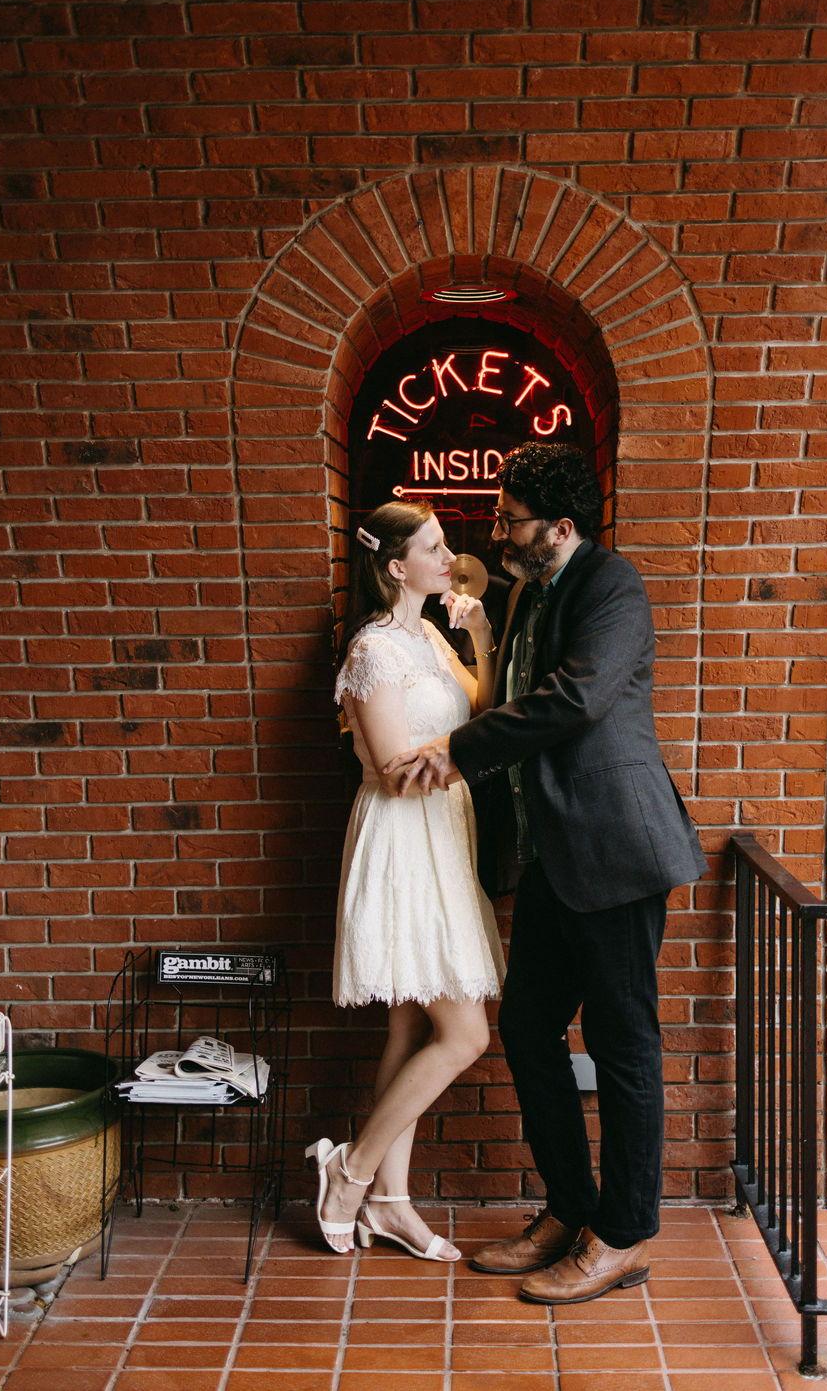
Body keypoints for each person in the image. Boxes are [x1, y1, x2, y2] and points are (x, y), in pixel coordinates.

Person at [384, 443, 706, 1306]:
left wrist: (454, 749)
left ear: (559, 527)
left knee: (622, 1044)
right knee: (527, 1033)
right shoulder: (527, 592)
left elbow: (576, 698)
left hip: (616, 849)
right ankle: (570, 1210)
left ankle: (625, 1234)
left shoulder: (612, 587)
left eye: (507, 516)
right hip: (553, 859)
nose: (494, 528)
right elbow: (509, 697)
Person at [306, 500, 505, 1262]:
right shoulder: (373, 650)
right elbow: (393, 769)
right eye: (434, 546)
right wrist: (467, 753)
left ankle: (389, 1202)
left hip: (446, 833)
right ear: (395, 566)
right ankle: (350, 1170)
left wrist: (480, 636)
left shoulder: (427, 634)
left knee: (406, 1023)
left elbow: (481, 709)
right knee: (464, 1031)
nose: (448, 556)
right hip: (403, 837)